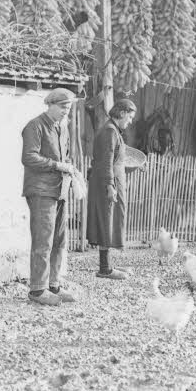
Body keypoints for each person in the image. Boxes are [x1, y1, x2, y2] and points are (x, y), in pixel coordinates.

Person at [21, 88, 78, 306]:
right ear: (50, 104)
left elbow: (67, 156)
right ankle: (37, 290)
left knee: (59, 241)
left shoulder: (62, 129)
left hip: (59, 190)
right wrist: (57, 165)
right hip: (41, 191)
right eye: (63, 107)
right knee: (43, 241)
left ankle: (53, 286)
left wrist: (71, 171)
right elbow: (29, 157)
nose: (66, 111)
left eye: (69, 107)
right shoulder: (35, 126)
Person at [87, 98, 137, 279]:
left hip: (112, 181)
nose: (130, 121)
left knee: (111, 221)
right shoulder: (109, 132)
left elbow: (115, 159)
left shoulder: (114, 130)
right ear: (122, 113)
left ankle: (107, 265)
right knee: (106, 222)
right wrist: (110, 185)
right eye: (130, 117)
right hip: (106, 184)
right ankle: (105, 268)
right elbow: (106, 162)